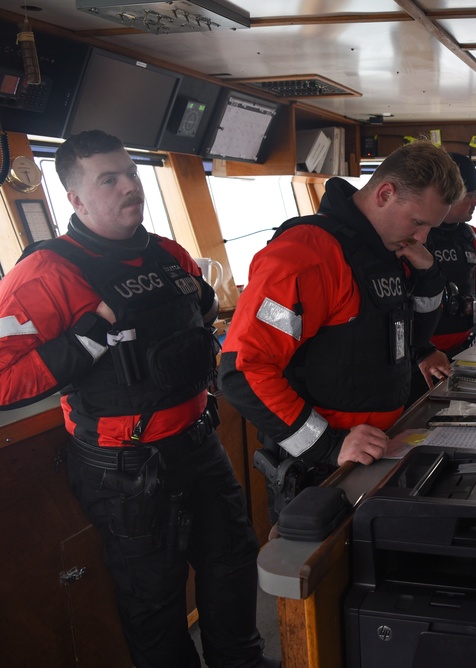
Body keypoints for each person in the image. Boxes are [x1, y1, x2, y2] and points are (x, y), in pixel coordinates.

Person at [0, 130, 268, 668]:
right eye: (110, 179)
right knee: (155, 597)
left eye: (132, 173)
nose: (131, 187)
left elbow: (201, 311)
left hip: (199, 443)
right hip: (125, 468)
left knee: (233, 564)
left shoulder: (169, 252)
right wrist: (83, 340)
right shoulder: (45, 275)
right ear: (75, 199)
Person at [219, 140, 463, 519]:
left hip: (379, 451)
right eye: (418, 222)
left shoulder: (386, 250)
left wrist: (429, 276)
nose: (422, 237)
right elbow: (242, 370)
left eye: (430, 226)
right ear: (384, 193)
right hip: (324, 469)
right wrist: (329, 445)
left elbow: (410, 342)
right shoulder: (306, 255)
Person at [407, 152, 476, 405]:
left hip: (466, 357)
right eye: (470, 195)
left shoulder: (475, 242)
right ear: (447, 196)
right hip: (417, 362)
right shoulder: (410, 241)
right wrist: (421, 351)